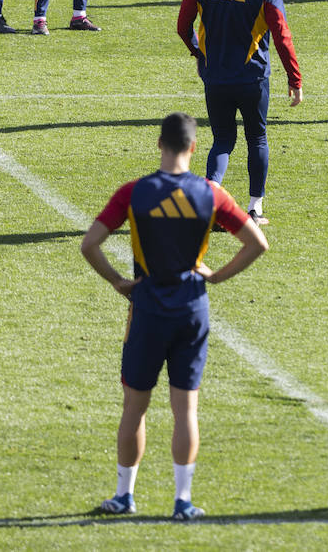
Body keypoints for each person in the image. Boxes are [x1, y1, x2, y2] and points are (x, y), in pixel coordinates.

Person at [80, 112, 268, 521]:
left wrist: (117, 280)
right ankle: (182, 501)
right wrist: (216, 276)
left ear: (159, 144)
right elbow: (257, 243)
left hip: (146, 308)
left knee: (135, 407)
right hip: (191, 309)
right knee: (186, 410)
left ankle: (124, 496)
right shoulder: (211, 193)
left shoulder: (134, 192)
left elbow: (90, 244)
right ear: (194, 148)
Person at [177, 0, 303, 225]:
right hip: (253, 78)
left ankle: (209, 198)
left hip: (215, 76)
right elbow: (282, 36)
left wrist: (199, 53)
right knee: (257, 139)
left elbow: (183, 26)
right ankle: (255, 209)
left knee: (222, 140)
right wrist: (294, 78)